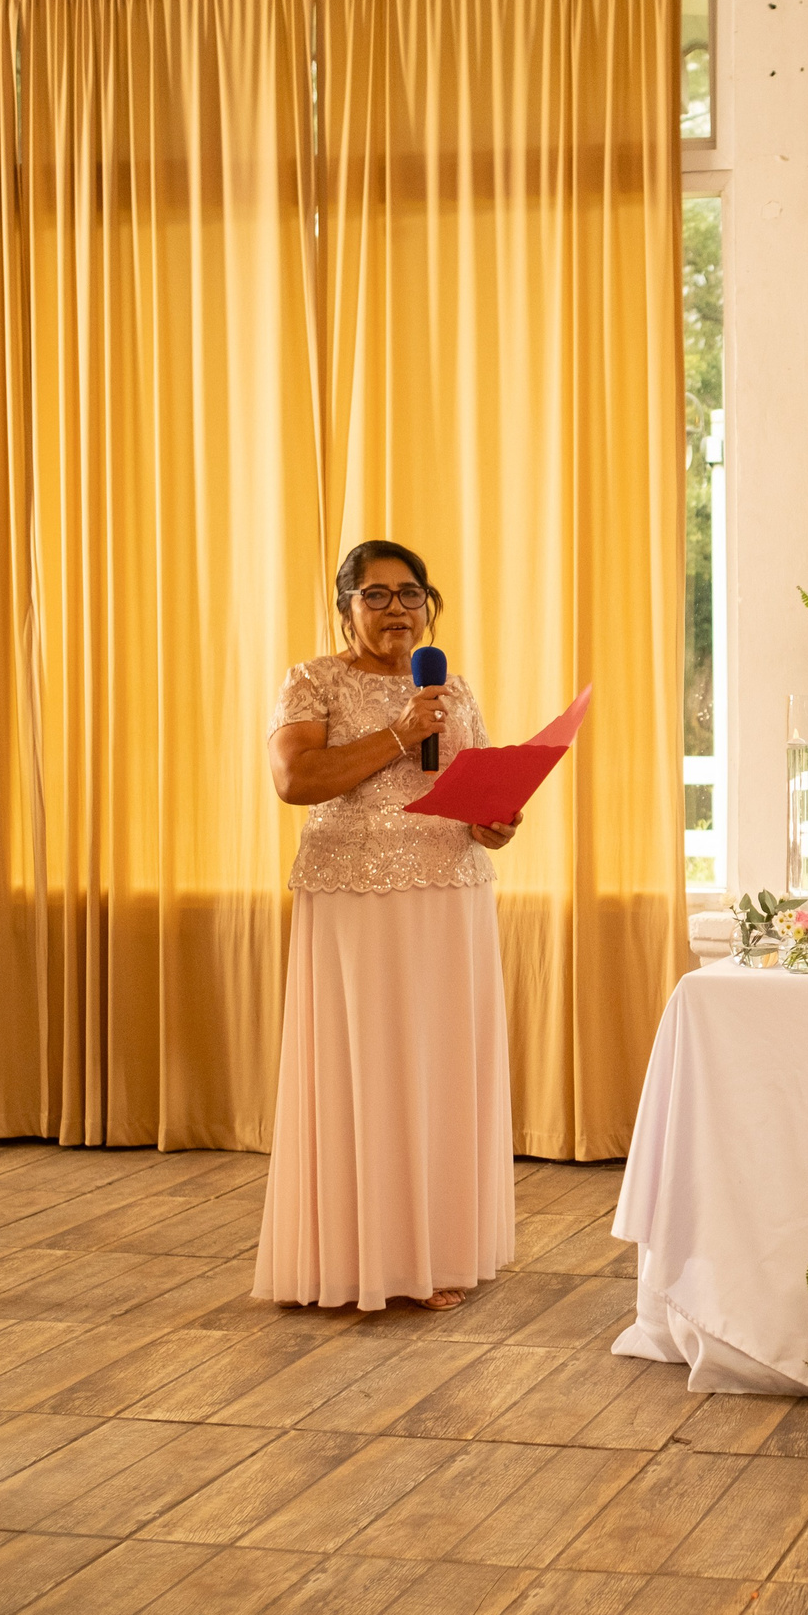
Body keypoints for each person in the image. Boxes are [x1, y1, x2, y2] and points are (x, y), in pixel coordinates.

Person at [253, 541, 523, 1312]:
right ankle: (358, 1256)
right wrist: (402, 732)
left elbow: (469, 794)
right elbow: (296, 780)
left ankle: (435, 1252)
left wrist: (496, 823)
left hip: (451, 894)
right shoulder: (313, 681)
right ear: (345, 607)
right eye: (377, 595)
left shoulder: (453, 689)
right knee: (368, 1067)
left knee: (438, 1070)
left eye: (411, 593)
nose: (398, 608)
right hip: (357, 900)